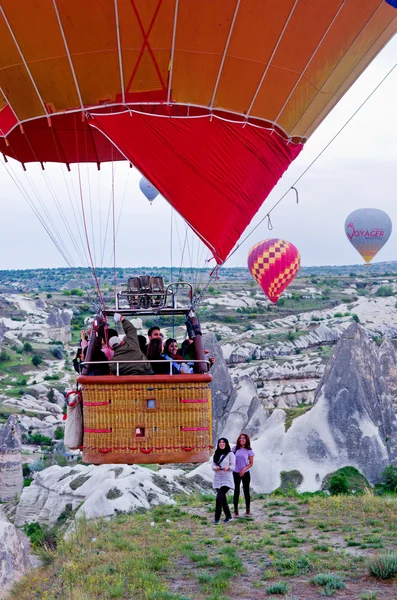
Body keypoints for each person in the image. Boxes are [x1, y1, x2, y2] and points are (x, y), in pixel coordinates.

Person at [212, 438, 235, 525]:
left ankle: (216, 518)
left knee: (219, 498)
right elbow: (213, 466)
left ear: (226, 444)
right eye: (220, 442)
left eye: (223, 442)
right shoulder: (216, 454)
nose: (221, 444)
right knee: (223, 499)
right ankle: (228, 516)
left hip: (227, 479)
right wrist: (216, 468)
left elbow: (233, 466)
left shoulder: (230, 454)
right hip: (217, 478)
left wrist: (228, 467)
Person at [232, 433, 255, 518]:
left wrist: (244, 469)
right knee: (236, 491)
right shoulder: (234, 449)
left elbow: (251, 463)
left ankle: (248, 510)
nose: (242, 439)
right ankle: (236, 511)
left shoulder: (249, 451)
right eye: (240, 438)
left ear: (246, 440)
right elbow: (230, 458)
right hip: (236, 472)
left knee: (246, 491)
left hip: (245, 473)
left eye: (244, 438)